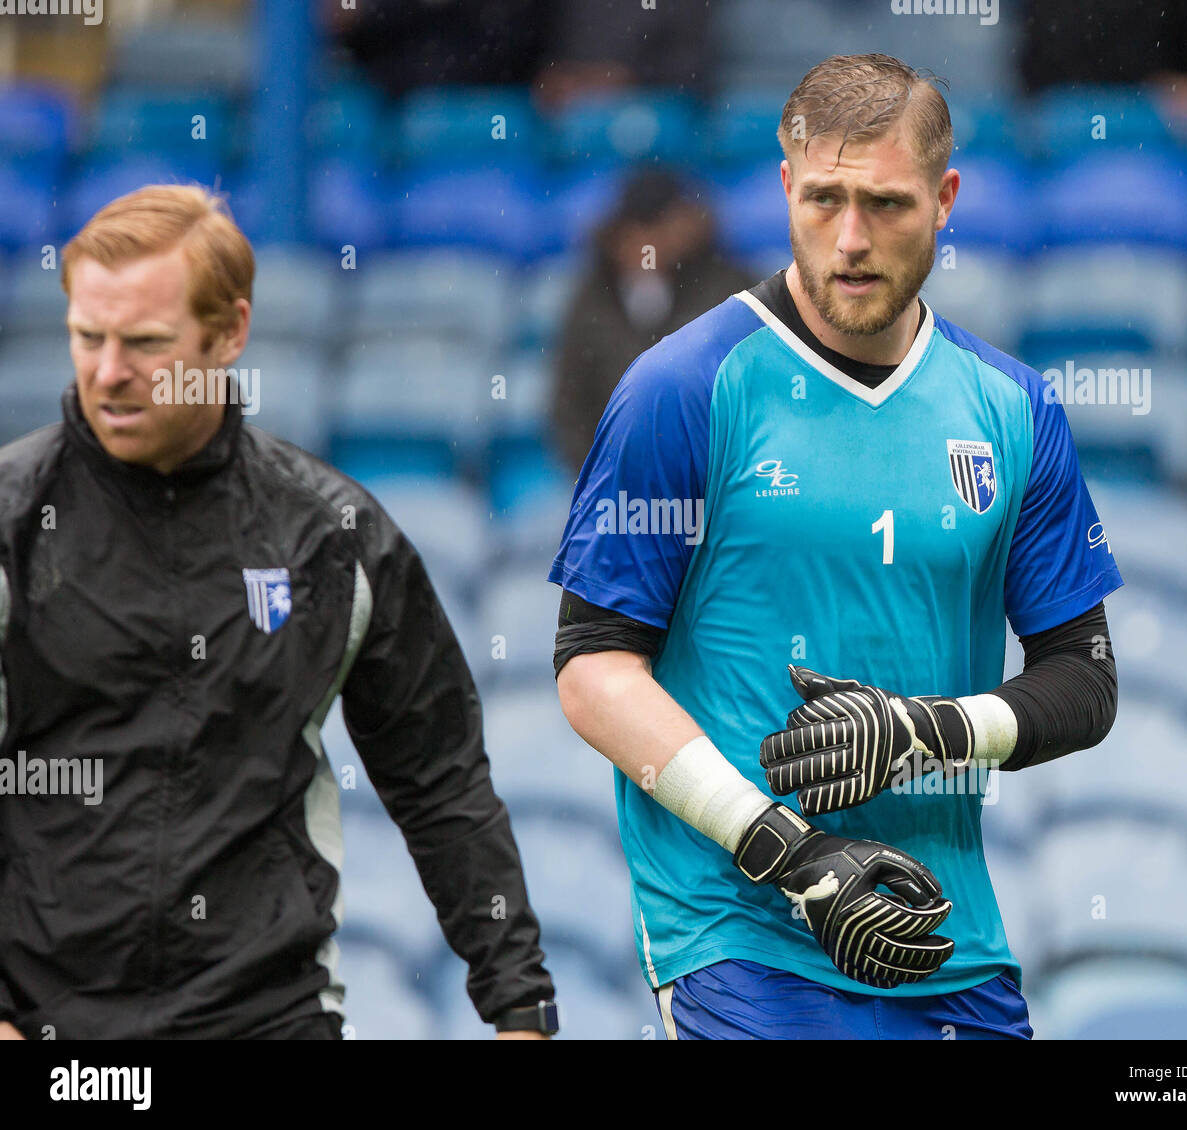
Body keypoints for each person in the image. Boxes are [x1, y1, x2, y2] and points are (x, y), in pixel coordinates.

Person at [550, 54, 1122, 1040]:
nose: (849, 240)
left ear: (944, 200)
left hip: (949, 940)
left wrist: (925, 730)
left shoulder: (1012, 407)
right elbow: (592, 667)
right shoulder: (681, 387)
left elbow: (1085, 677)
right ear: (784, 188)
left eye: (886, 205)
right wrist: (785, 846)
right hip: (741, 940)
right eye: (823, 199)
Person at [0, 185, 558, 1040]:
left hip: (266, 1018)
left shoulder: (333, 537)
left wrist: (519, 1004)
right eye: (87, 337)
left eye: (145, 344)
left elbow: (440, 779)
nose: (108, 372)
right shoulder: (12, 523)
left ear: (228, 335)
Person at [551, 167, 752, 475]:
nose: (649, 243)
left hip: (716, 481)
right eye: (639, 229)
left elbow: (751, 395)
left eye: (659, 227)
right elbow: (568, 407)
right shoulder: (592, 299)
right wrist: (605, 476)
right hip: (615, 481)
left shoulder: (730, 289)